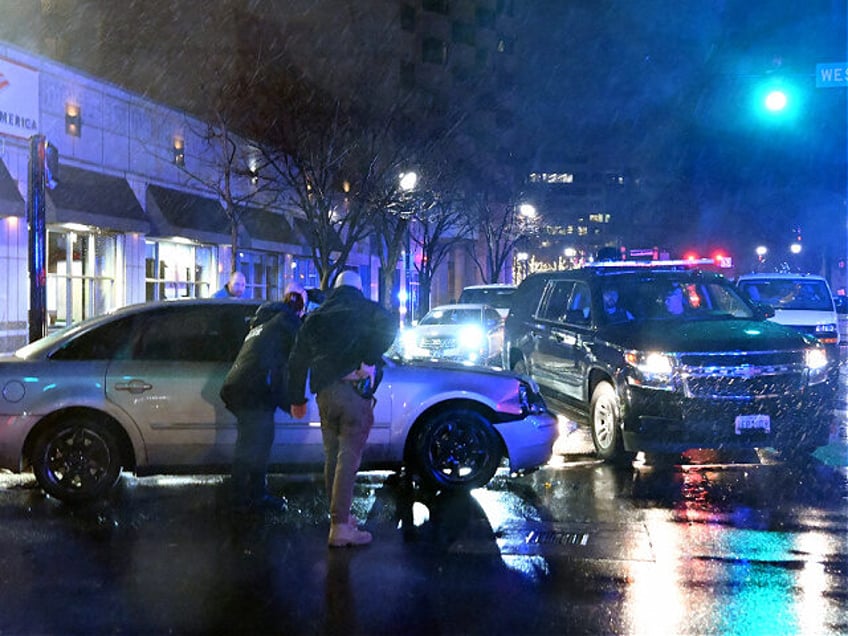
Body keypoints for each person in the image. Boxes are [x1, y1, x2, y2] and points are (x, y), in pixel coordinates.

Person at [288, 270, 398, 547]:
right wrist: (368, 360)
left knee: (333, 457)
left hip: (325, 393)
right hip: (353, 392)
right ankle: (340, 527)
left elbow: (297, 360)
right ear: (359, 288)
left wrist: (297, 399)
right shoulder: (367, 309)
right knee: (348, 460)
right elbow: (389, 326)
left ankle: (340, 518)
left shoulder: (316, 315)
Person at [220, 288, 304, 512]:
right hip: (253, 389)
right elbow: (281, 368)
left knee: (256, 439)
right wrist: (290, 403)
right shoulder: (287, 323)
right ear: (300, 311)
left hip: (239, 386)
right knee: (253, 443)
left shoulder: (264, 322)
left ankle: (250, 494)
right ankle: (244, 498)